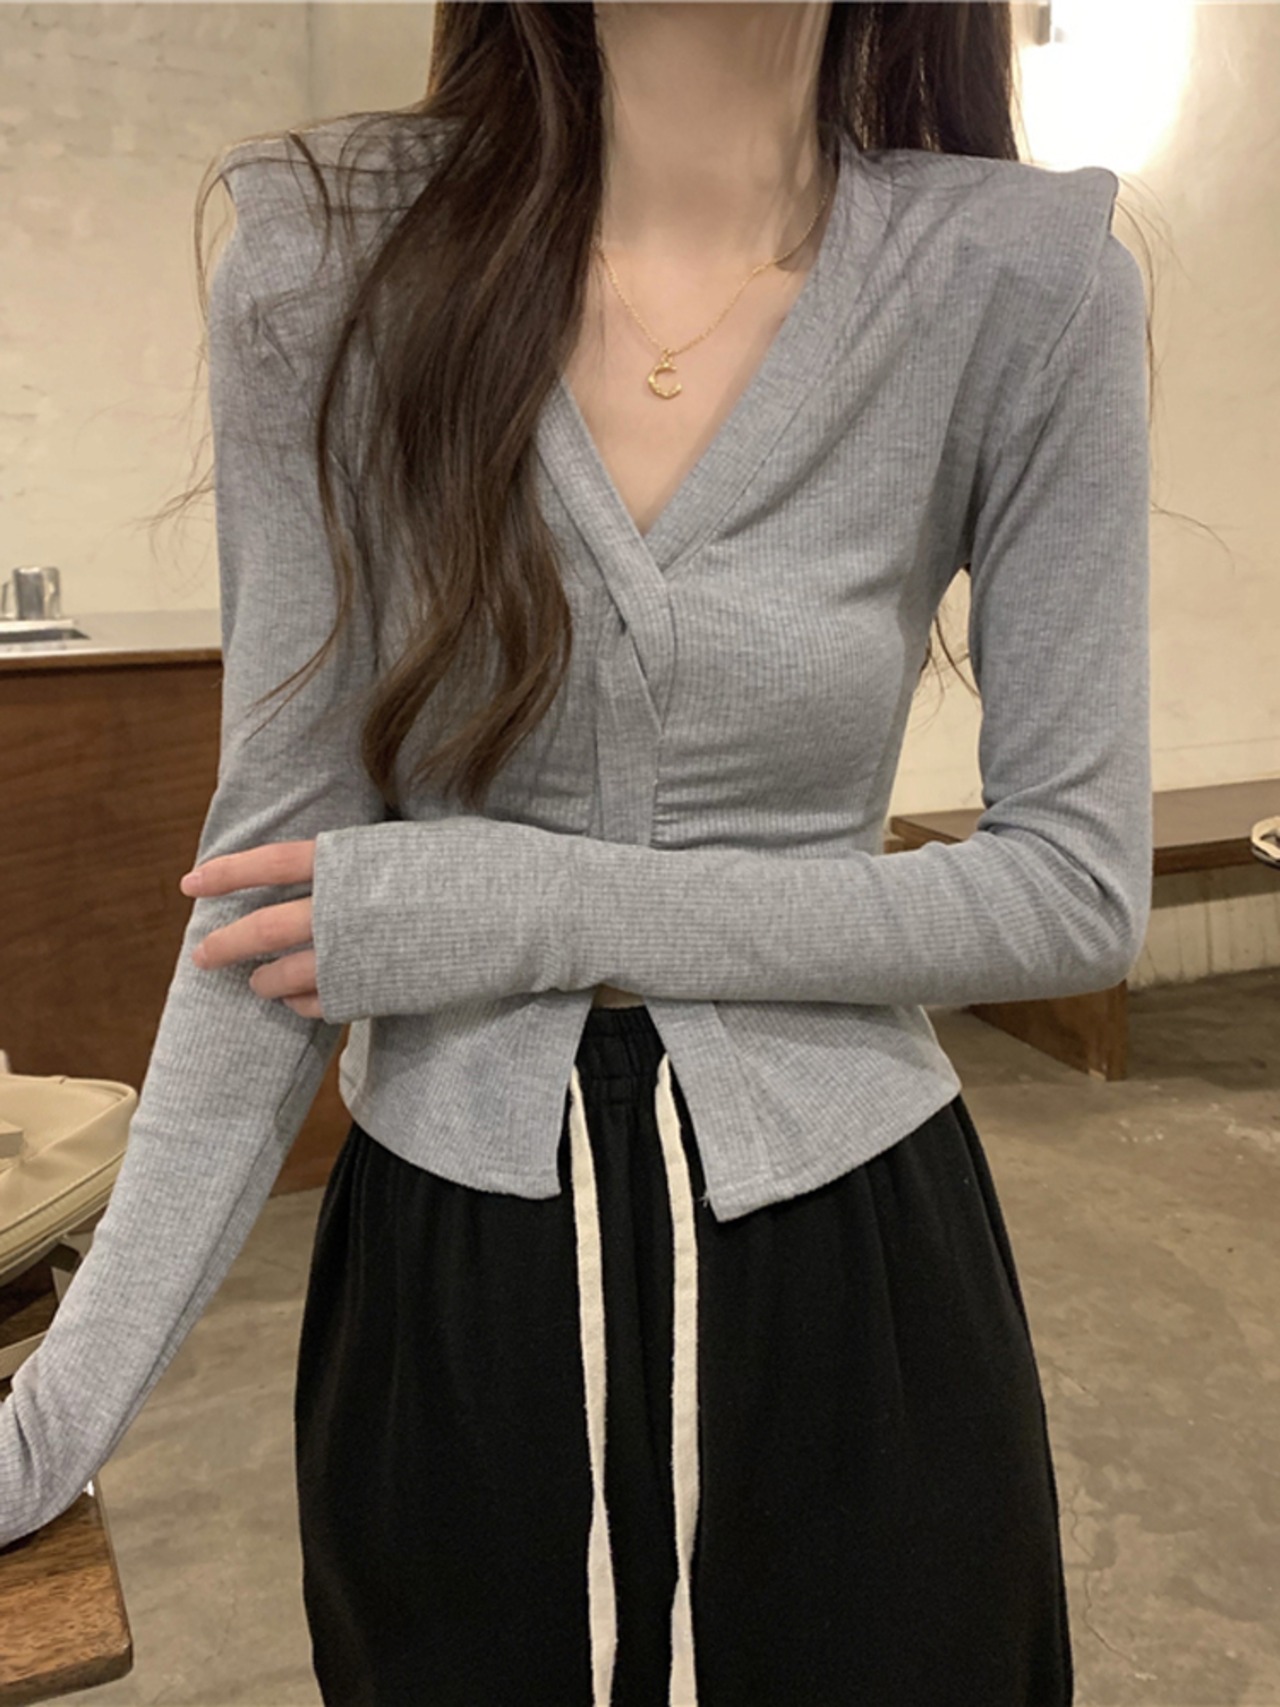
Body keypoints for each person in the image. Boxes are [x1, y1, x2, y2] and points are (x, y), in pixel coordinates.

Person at [1, 5, 1154, 1704]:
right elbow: (263, 917)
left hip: (858, 1304)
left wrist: (536, 900)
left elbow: (1075, 886)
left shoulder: (1022, 279)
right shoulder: (327, 264)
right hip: (457, 1317)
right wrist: (41, 1434)